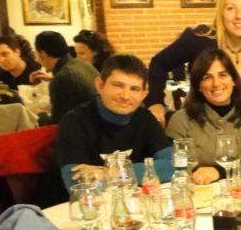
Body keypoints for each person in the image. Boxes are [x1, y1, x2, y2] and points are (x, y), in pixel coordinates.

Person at [55, 54, 172, 190]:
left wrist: (112, 173)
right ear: (100, 85)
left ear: (144, 94)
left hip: (134, 199)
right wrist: (144, 173)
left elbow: (173, 165)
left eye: (134, 89)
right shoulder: (74, 121)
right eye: (118, 85)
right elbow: (77, 183)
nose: (125, 96)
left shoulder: (145, 118)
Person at [165, 49, 241, 185]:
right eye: (207, 77)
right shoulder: (180, 120)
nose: (216, 83)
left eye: (223, 75)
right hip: (199, 192)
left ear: (233, 80)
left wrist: (218, 172)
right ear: (198, 85)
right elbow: (174, 166)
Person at [32, 31, 99, 123]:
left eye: (36, 54)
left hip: (91, 128)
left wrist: (39, 114)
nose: (37, 59)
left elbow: (59, 124)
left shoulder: (61, 79)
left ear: (42, 54)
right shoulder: (82, 64)